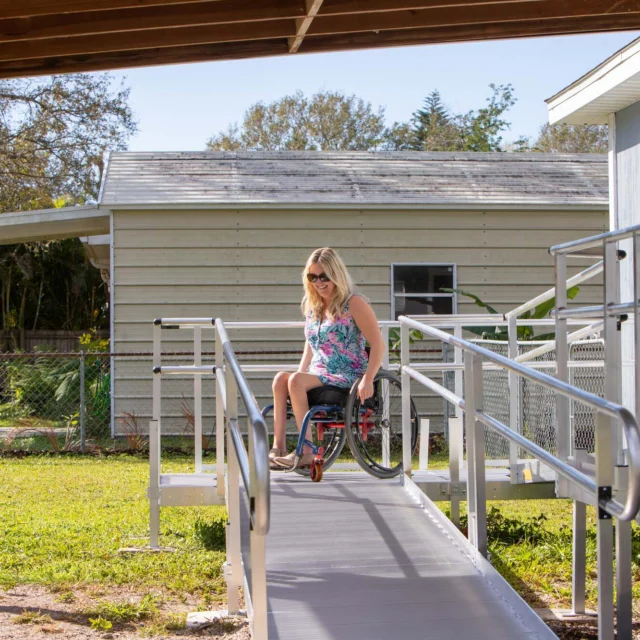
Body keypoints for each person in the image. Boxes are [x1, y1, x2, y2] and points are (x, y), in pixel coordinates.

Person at [270, 247, 384, 469]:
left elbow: (378, 343)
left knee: (295, 380)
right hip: (320, 372)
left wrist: (368, 378)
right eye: (313, 277)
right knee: (280, 379)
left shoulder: (354, 303)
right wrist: (299, 373)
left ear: (336, 275)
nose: (319, 282)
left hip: (347, 374)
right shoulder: (314, 307)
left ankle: (306, 452)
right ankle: (278, 447)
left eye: (324, 276)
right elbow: (311, 346)